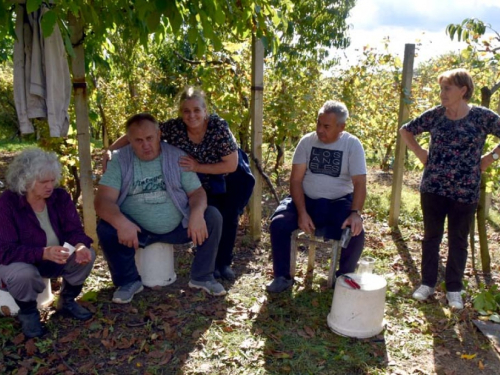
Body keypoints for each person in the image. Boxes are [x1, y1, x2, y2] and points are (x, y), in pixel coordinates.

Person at [103, 86, 254, 281]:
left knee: (227, 215)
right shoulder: (175, 128)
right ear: (181, 113)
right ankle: (207, 258)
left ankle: (222, 264)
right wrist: (110, 149)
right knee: (205, 211)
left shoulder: (219, 128)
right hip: (196, 175)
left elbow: (231, 164)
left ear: (205, 110)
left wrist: (197, 166)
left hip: (227, 175)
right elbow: (141, 131)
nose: (192, 115)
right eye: (186, 111)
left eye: (197, 110)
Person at [95, 113, 226, 304]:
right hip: (136, 230)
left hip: (177, 227)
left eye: (149, 138)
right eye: (138, 140)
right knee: (106, 227)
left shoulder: (177, 156)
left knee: (212, 216)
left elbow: (197, 192)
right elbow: (102, 201)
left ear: (159, 135)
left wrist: (197, 214)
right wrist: (121, 223)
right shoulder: (120, 161)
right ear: (129, 141)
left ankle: (202, 276)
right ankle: (128, 281)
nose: (145, 145)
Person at [400, 68, 500, 309]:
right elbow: (406, 129)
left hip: (465, 191)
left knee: (458, 239)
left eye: (447, 88)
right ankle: (427, 283)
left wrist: (491, 157)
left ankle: (454, 288)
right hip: (433, 187)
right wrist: (420, 151)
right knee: (431, 237)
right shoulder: (436, 115)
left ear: (463, 90)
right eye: (441, 88)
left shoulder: (482, 117)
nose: (442, 93)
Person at [267, 100, 367, 293]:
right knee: (279, 223)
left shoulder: (352, 145)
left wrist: (355, 213)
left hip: (338, 204)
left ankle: (344, 279)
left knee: (355, 231)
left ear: (341, 127)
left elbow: (360, 184)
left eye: (326, 126)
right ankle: (282, 276)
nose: (320, 130)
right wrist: (302, 212)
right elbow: (296, 181)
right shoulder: (307, 142)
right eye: (318, 123)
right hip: (305, 201)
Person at [0, 148, 95, 338]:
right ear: (25, 180)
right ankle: (28, 313)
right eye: (43, 181)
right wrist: (43, 253)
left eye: (52, 180)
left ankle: (67, 301)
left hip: (55, 257)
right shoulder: (7, 203)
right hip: (20, 261)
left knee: (88, 255)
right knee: (23, 275)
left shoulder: (59, 197)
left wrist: (80, 245)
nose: (50, 186)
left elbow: (74, 230)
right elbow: (5, 250)